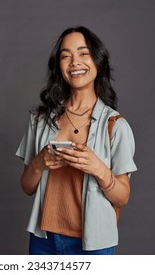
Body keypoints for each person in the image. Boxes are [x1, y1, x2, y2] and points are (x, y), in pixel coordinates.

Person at [15, 26, 137, 255]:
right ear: (58, 66)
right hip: (44, 240)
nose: (74, 62)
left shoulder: (116, 126)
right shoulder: (40, 120)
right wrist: (39, 163)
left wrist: (98, 168)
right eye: (65, 55)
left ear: (98, 61)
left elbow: (123, 197)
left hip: (93, 245)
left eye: (83, 53)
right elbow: (27, 187)